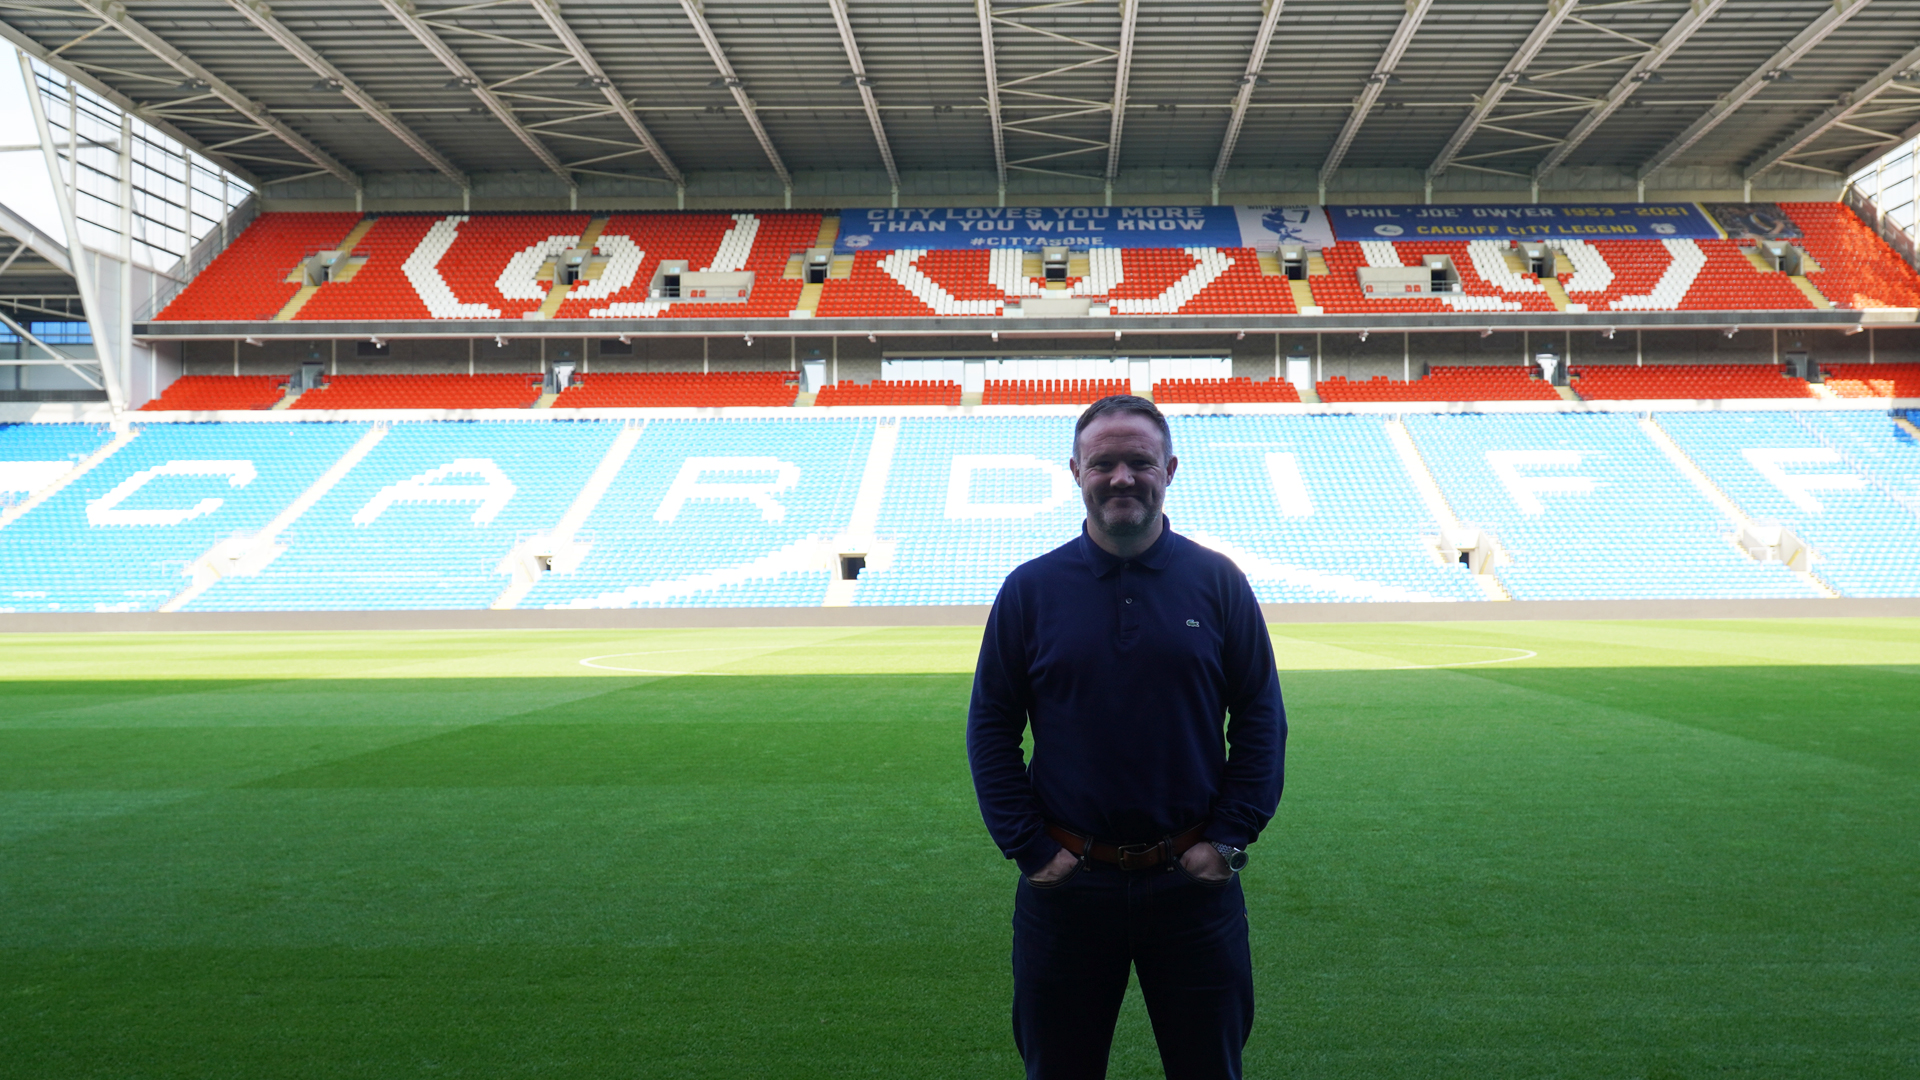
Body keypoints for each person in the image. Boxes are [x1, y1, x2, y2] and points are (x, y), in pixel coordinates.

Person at [967, 394, 1287, 1080]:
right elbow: (992, 726)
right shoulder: (1030, 590)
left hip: (1194, 889)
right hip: (1068, 891)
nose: (1121, 477)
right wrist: (1029, 848)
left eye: (1138, 461)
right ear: (1075, 470)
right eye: (1103, 463)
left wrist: (1228, 839)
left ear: (1168, 468)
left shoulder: (1218, 582)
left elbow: (1261, 716)